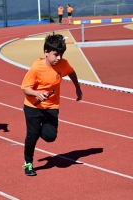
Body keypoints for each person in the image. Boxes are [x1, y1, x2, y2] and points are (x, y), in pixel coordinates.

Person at [21, 33, 83, 176]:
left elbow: (72, 72)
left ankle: (37, 131)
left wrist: (77, 88)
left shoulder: (63, 64)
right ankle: (28, 163)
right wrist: (37, 93)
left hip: (52, 107)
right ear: (46, 52)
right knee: (32, 134)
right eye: (56, 55)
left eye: (61, 54)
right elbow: (25, 88)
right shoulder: (36, 67)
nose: (58, 58)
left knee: (50, 136)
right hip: (33, 106)